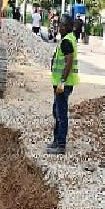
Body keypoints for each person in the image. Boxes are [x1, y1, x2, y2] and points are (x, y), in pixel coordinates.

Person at [47, 14, 79, 155]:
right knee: (57, 112)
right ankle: (56, 141)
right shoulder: (69, 39)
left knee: (61, 114)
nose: (58, 27)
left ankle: (60, 145)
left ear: (65, 27)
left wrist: (61, 82)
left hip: (63, 84)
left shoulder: (67, 41)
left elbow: (69, 62)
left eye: (60, 25)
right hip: (62, 83)